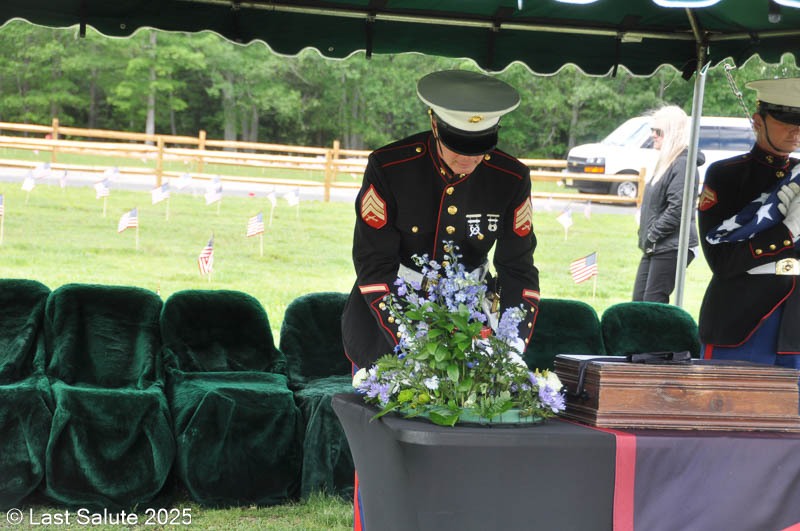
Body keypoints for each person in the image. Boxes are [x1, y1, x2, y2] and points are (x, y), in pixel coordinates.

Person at [340, 69, 540, 531]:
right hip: (385, 320)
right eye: (457, 149)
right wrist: (405, 336)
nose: (468, 162)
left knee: (465, 447)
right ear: (434, 124)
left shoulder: (510, 177)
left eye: (479, 151)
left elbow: (518, 269)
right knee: (382, 449)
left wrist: (512, 340)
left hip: (469, 324)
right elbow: (373, 266)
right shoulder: (390, 166)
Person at [697, 77, 800, 367]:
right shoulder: (727, 175)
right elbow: (722, 261)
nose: (796, 130)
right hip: (742, 319)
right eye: (786, 121)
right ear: (758, 121)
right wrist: (787, 231)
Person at [633, 105, 703, 303]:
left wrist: (653, 234)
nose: (653, 135)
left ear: (672, 133)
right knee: (638, 303)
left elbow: (678, 209)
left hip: (673, 245)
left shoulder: (682, 163)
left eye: (658, 131)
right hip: (657, 244)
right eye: (652, 130)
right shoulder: (666, 162)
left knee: (652, 303)